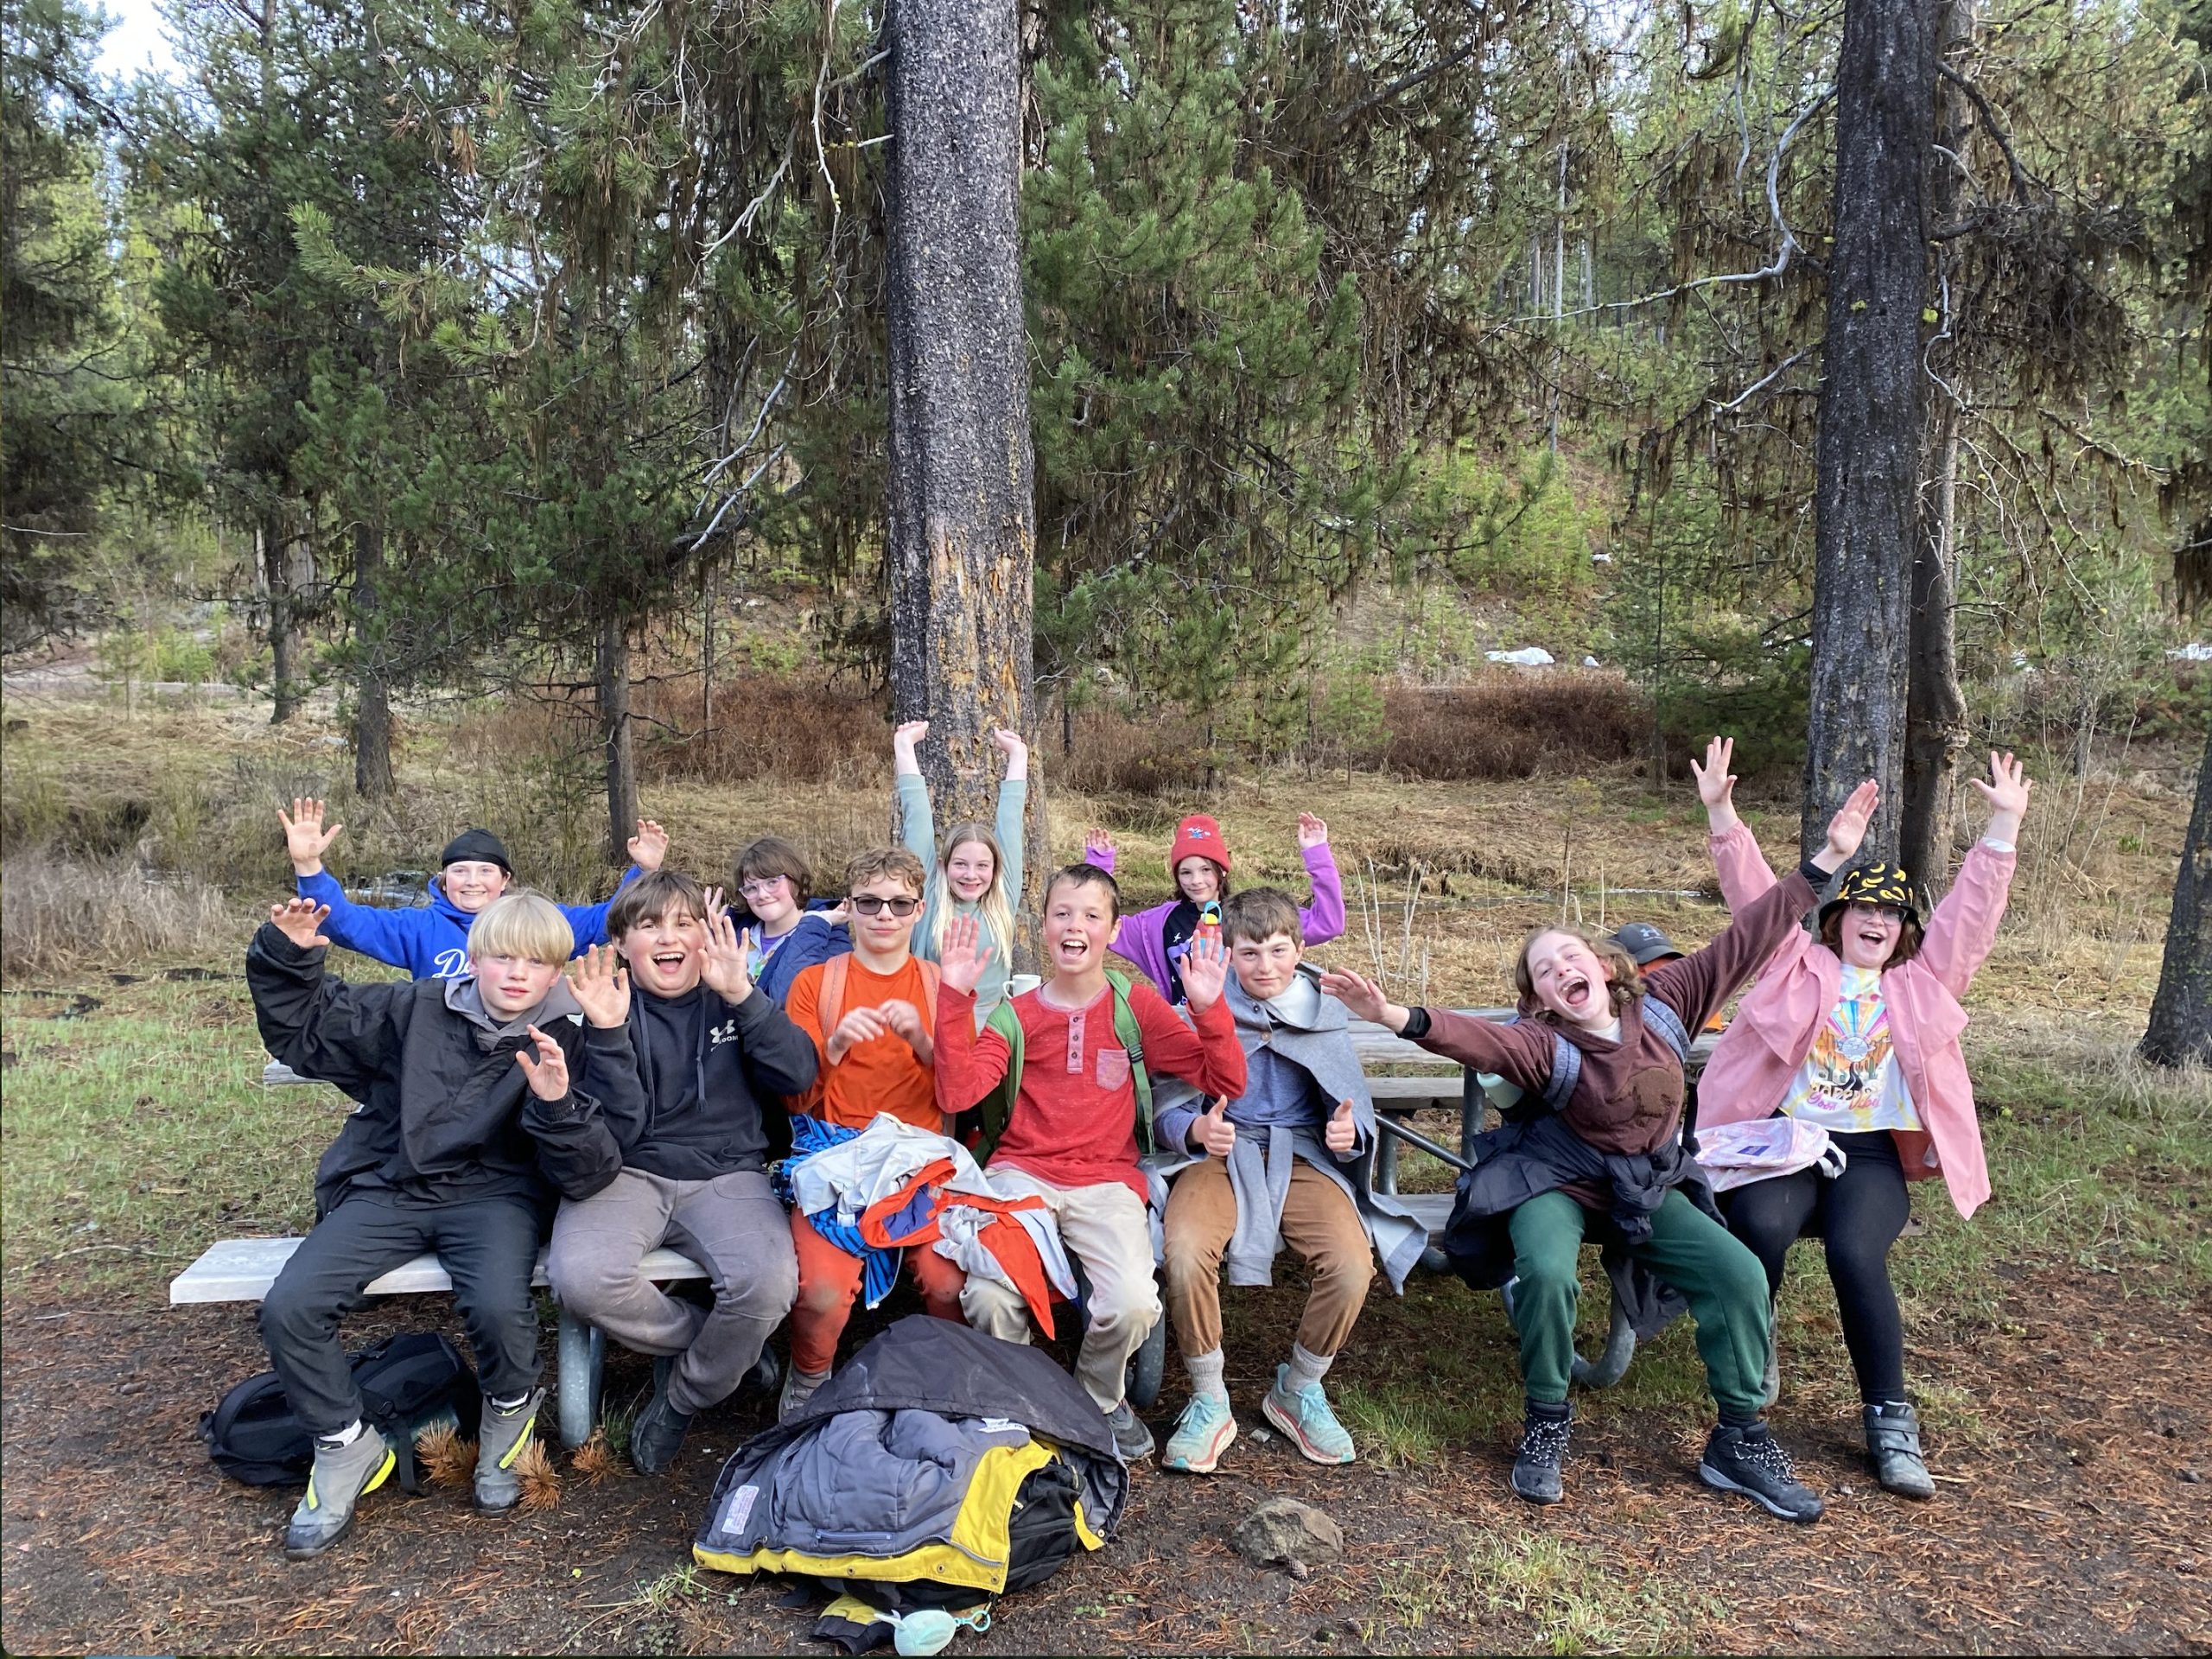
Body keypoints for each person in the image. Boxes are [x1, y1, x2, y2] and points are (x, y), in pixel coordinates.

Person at [1320, 770, 1881, 1524]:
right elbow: (1471, 1036)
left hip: (1642, 1186)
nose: (1562, 971)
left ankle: (1739, 1440)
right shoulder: (1538, 1046)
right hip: (1551, 1182)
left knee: (1740, 1273)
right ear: (1541, 998)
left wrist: (1827, 860)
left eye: (1570, 957)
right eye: (1545, 972)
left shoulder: (1670, 1005)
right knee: (1548, 1273)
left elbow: (1749, 935)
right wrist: (1391, 1013)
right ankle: (1547, 1418)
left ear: (1605, 966)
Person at [1694, 740, 2033, 1499]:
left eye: (1890, 911)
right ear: (1837, 918)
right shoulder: (1794, 962)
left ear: (1904, 928)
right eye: (1861, 907)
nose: (1874, 919)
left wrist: (2002, 830)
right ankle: (1755, 1359)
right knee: (1762, 1232)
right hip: (1784, 1143)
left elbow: (1971, 919)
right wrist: (1722, 811)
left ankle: (1889, 1420)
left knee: (1854, 1252)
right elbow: (1756, 900)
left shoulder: (1923, 982)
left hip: (1871, 1155)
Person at [245, 891, 629, 1556]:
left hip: (497, 1195)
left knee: (498, 1306)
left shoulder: (574, 1032)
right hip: (390, 1185)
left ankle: (508, 1421)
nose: (516, 973)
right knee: (291, 1305)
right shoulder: (416, 1007)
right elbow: (307, 1033)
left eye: (535, 963)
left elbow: (594, 1169)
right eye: (501, 957)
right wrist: (291, 957)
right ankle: (344, 1445)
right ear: (473, 959)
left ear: (557, 971)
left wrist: (560, 1104)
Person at [931, 863, 1249, 1460]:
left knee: (1132, 1302)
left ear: (1113, 928)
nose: (1074, 926)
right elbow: (956, 1095)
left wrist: (1208, 1009)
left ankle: (1095, 1400)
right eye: (1062, 913)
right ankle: (1024, 1403)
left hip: (1107, 1179)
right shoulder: (1016, 1015)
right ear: (1044, 924)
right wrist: (954, 998)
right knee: (990, 1299)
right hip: (1020, 1175)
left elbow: (1223, 1078)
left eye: (1090, 915)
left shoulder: (1137, 1008)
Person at [548, 872, 817, 1474]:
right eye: (649, 926)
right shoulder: (601, 1005)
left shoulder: (736, 996)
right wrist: (610, 1034)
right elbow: (613, 1131)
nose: (668, 938)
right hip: (627, 1173)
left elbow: (797, 1076)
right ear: (621, 942)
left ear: (707, 934)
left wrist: (745, 996)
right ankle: (727, 1348)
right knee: (582, 1278)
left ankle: (684, 1395)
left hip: (728, 1175)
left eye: (683, 923)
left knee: (767, 1286)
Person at [1154, 888, 1429, 1474]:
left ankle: (1299, 1388)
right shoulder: (1200, 1008)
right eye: (1249, 953)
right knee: (1182, 1251)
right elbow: (1161, 1108)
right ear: (1227, 954)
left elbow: (1352, 1112)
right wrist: (1197, 1130)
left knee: (1352, 1265)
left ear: (1300, 949)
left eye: (1279, 950)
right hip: (1219, 1158)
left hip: (1303, 1156)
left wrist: (1346, 1136)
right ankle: (1208, 1397)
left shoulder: (1323, 1015)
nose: (1266, 967)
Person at [780, 848, 963, 1416]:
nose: (884, 915)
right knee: (822, 1293)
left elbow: (964, 1094)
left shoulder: (940, 987)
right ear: (849, 908)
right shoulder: (817, 985)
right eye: (869, 903)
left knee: (951, 1284)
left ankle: (950, 1384)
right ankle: (810, 1377)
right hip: (836, 1161)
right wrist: (832, 1048)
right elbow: (793, 1096)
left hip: (920, 1162)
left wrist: (926, 1046)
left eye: (899, 903)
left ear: (920, 910)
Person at [277, 796, 668, 978]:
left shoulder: (540, 922)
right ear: (444, 881)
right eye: (460, 871)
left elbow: (610, 920)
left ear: (504, 881)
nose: (472, 882)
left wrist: (642, 872)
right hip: (441, 1058)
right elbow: (343, 923)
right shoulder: (418, 929)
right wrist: (308, 865)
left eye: (485, 871)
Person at [1083, 814, 1344, 1005]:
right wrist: (1099, 866)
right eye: (1186, 872)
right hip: (1187, 1029)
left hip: (1247, 1031)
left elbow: (1329, 923)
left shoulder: (1253, 911)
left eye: (1206, 869)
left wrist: (1317, 854)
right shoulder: (1157, 924)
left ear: (1222, 871)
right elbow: (1101, 925)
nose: (1195, 880)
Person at [893, 720, 1027, 1019]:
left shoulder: (1002, 899)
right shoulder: (928, 901)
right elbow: (917, 820)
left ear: (995, 870)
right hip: (935, 1022)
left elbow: (1011, 819)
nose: (971, 875)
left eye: (982, 866)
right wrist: (904, 747)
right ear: (942, 866)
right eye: (961, 864)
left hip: (992, 1031)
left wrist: (1018, 756)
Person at [723, 836, 850, 1007]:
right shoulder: (732, 933)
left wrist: (816, 923)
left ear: (797, 881)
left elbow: (785, 999)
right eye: (752, 888)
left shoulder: (831, 940)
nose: (762, 895)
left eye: (772, 882)